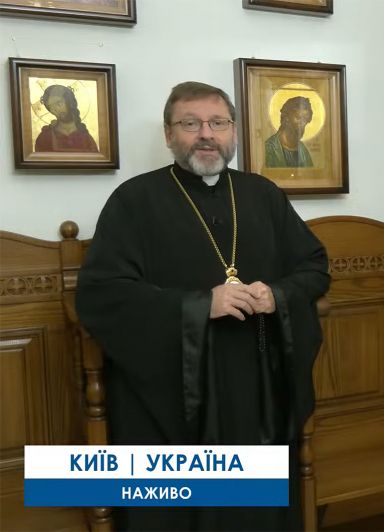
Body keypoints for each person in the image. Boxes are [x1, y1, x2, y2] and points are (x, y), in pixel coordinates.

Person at [76, 81, 330, 531]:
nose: (206, 134)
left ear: (234, 132)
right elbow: (101, 294)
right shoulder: (134, 201)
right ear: (169, 134)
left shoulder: (262, 194)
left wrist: (278, 295)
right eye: (190, 124)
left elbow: (313, 266)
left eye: (217, 123)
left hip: (256, 388)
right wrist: (199, 305)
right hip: (172, 395)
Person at [35, 84, 99, 152]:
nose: (56, 109)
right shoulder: (45, 136)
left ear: (69, 102)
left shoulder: (85, 136)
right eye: (51, 107)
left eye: (59, 103)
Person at [264, 96, 314, 168]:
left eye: (305, 119)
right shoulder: (270, 147)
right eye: (298, 118)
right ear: (286, 118)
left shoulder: (303, 149)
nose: (302, 123)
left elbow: (311, 174)